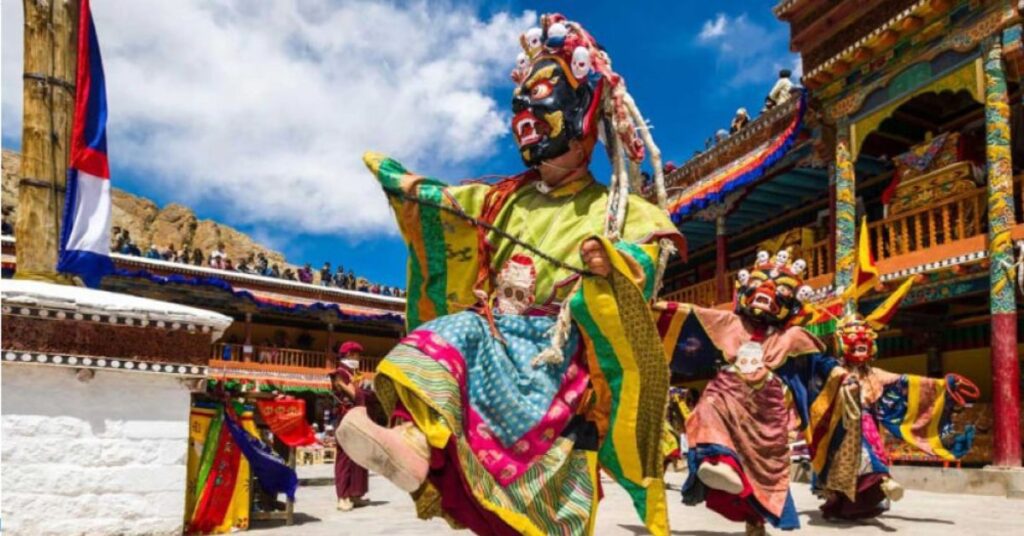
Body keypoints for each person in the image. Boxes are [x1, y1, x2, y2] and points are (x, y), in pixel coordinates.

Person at [335, 14, 684, 535]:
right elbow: (449, 207)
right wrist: (407, 185)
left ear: (586, 109)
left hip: (558, 361)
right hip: (494, 342)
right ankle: (412, 437)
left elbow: (648, 259)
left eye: (540, 97)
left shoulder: (620, 210)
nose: (524, 112)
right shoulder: (502, 199)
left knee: (558, 515)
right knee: (450, 331)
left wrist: (613, 266)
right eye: (518, 102)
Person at [665, 251, 823, 535]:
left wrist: (839, 377)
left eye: (781, 289)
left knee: (762, 464)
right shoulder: (729, 323)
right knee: (708, 406)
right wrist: (647, 309)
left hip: (766, 406)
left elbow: (820, 366)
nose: (767, 291)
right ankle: (719, 463)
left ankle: (755, 521)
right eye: (760, 283)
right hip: (729, 390)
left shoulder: (792, 338)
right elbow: (689, 316)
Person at [331, 342, 371, 512]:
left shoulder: (355, 374)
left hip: (359, 418)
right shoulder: (339, 374)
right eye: (355, 355)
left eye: (358, 355)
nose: (358, 358)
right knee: (345, 457)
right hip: (346, 419)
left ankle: (355, 494)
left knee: (359, 456)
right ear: (347, 355)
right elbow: (354, 394)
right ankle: (342, 497)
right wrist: (362, 387)